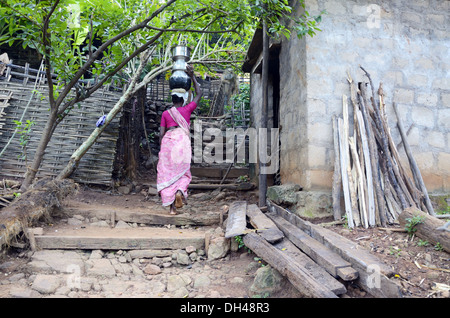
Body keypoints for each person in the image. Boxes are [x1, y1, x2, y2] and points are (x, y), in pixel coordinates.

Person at [156, 64, 202, 214]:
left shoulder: (165, 114)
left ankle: (171, 209)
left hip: (168, 142)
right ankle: (180, 192)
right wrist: (192, 76)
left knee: (167, 172)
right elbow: (199, 93)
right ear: (183, 99)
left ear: (172, 99)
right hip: (182, 142)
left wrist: (161, 151)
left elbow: (161, 133)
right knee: (183, 172)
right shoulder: (187, 110)